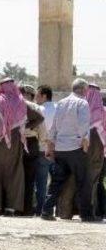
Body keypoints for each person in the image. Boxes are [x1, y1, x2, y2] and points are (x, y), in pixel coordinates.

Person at [0, 78, 44, 216]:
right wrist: (22, 126)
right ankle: (11, 208)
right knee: (14, 175)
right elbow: (39, 118)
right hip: (16, 144)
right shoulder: (21, 102)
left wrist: (4, 125)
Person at [41, 78, 93, 221]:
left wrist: (50, 145)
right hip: (75, 148)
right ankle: (86, 214)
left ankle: (46, 211)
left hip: (60, 148)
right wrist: (84, 142)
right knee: (83, 182)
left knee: (57, 182)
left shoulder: (61, 103)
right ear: (84, 89)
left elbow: (54, 127)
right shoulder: (82, 103)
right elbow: (83, 126)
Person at [20, 84, 49, 216]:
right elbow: (42, 129)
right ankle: (27, 209)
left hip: (15, 144)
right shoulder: (35, 108)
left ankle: (15, 207)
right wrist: (42, 142)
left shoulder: (13, 105)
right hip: (31, 143)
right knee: (30, 178)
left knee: (16, 177)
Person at [34, 85, 56, 215]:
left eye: (38, 95)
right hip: (57, 149)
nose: (36, 98)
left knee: (41, 182)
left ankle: (41, 209)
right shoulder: (59, 108)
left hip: (42, 149)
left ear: (44, 96)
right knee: (56, 182)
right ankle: (55, 209)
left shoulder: (40, 109)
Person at [85, 84, 105, 220]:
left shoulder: (80, 108)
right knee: (94, 181)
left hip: (82, 149)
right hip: (99, 151)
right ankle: (91, 212)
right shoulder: (102, 112)